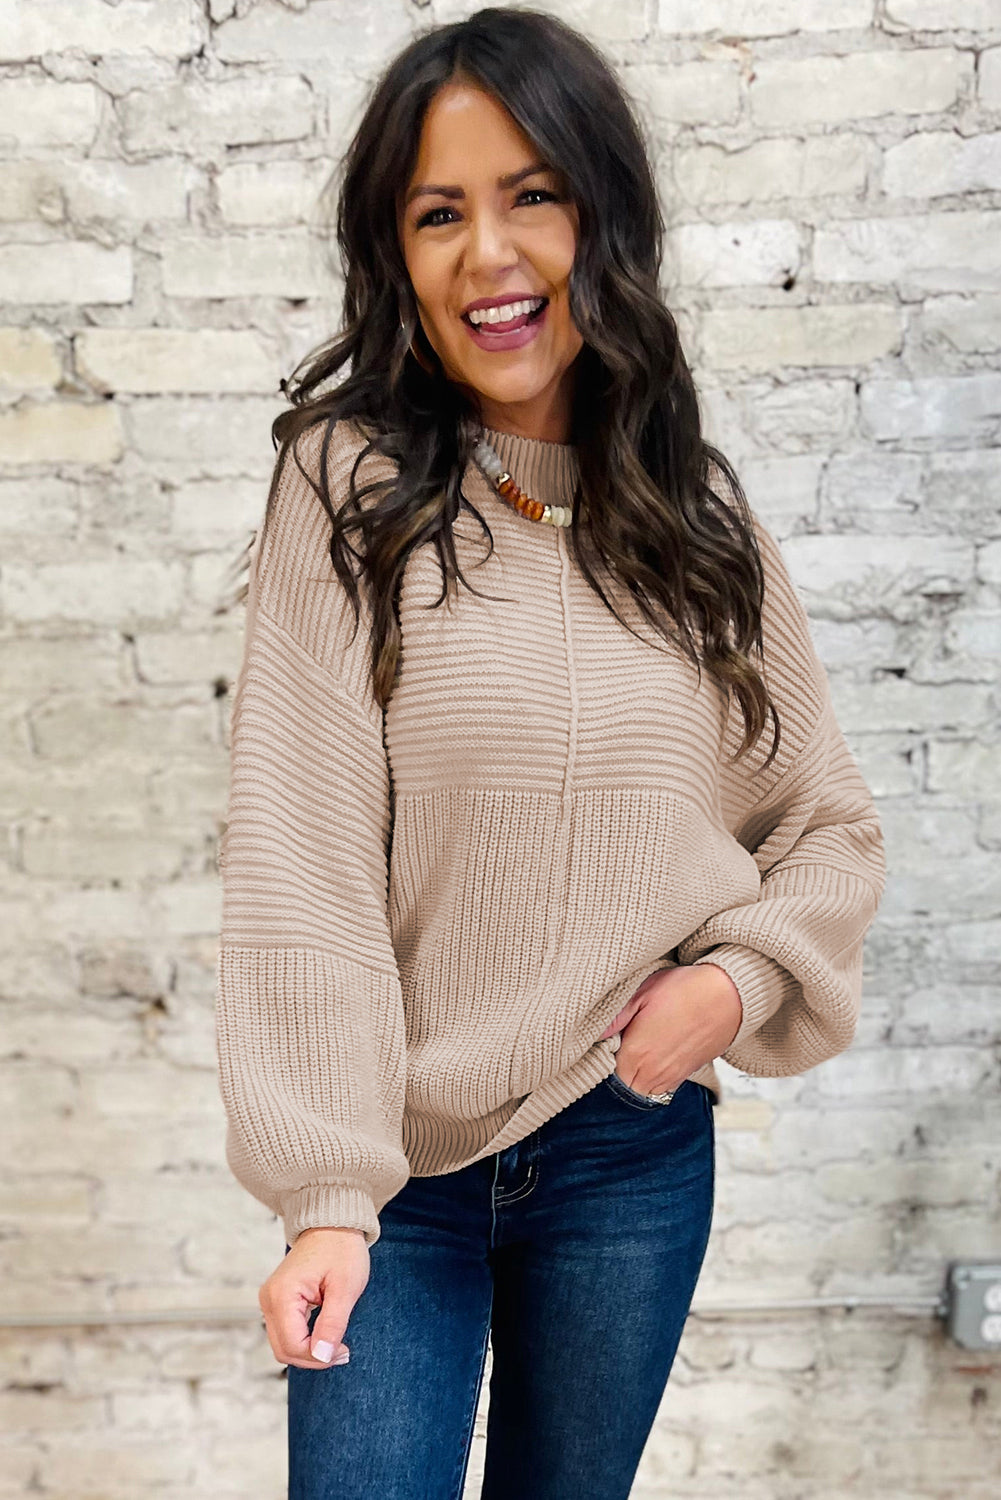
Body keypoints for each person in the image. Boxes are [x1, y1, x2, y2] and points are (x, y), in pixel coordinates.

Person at [214, 8, 886, 1497]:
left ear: (603, 218)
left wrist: (731, 987)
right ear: (396, 257)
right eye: (437, 213)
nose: (489, 255)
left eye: (532, 195)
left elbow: (827, 823)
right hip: (398, 1178)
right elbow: (304, 860)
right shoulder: (347, 488)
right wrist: (327, 1193)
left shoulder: (699, 521)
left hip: (624, 1159)